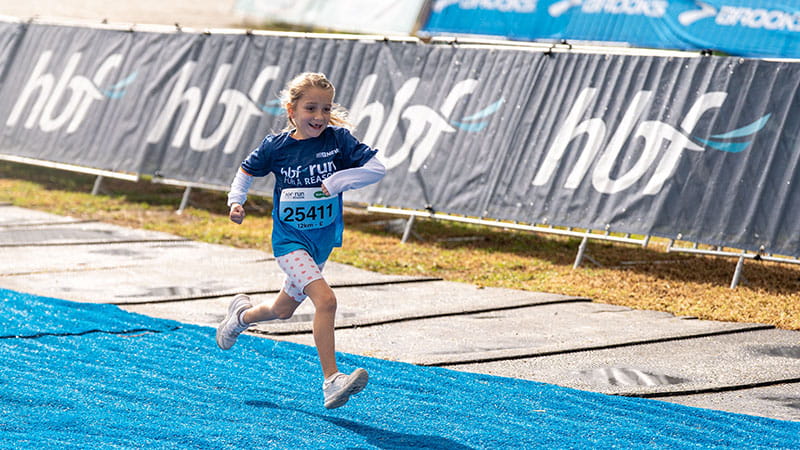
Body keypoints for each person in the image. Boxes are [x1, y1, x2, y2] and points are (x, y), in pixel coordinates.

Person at [215, 72, 386, 409]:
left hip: (320, 242)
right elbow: (245, 172)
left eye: (325, 108)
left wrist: (339, 181)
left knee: (282, 310)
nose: (319, 117)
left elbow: (377, 168)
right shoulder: (275, 147)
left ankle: (239, 318)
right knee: (326, 301)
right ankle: (331, 380)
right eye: (311, 108)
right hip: (290, 242)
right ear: (291, 110)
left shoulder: (339, 141)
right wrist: (237, 201)